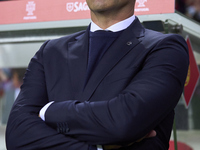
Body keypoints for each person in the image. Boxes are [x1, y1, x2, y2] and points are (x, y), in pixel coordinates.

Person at [6, 0, 189, 149]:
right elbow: (17, 133)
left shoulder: (166, 48)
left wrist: (49, 111)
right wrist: (99, 147)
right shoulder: (50, 52)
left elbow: (123, 121)